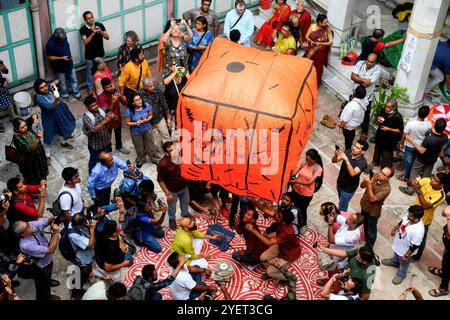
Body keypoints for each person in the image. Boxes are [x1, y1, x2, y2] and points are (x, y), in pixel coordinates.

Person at [12, 216, 61, 300]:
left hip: (47, 261)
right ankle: (45, 297)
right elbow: (50, 250)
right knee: (42, 285)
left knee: (45, 280)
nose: (30, 226)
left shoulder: (30, 226)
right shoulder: (26, 245)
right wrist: (56, 233)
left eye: (27, 224)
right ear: (22, 233)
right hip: (42, 265)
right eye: (27, 227)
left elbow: (45, 222)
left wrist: (54, 218)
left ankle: (47, 282)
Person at [399, 118, 448, 195]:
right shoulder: (445, 137)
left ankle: (410, 189)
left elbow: (421, 150)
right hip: (432, 159)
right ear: (444, 128)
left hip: (422, 159)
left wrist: (411, 140)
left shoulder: (429, 139)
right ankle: (422, 190)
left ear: (434, 126)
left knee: (414, 173)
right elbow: (442, 147)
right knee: (426, 176)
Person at [33, 78, 76, 160]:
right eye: (41, 88)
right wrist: (57, 98)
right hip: (49, 118)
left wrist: (55, 84)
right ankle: (47, 155)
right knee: (48, 135)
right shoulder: (39, 98)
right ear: (38, 90)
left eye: (45, 85)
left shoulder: (49, 89)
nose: (45, 88)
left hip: (60, 113)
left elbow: (56, 82)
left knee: (62, 128)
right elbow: (50, 107)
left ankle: (63, 142)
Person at [382, 205, 425, 285]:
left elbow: (414, 246)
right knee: (396, 253)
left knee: (404, 263)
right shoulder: (409, 216)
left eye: (410, 215)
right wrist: (394, 229)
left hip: (405, 251)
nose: (408, 216)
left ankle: (401, 274)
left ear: (416, 218)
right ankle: (394, 262)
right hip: (398, 244)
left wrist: (406, 256)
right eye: (409, 213)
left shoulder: (418, 230)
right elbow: (401, 222)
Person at [408, 173, 447, 261]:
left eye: (436, 181)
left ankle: (417, 256)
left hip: (424, 220)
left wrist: (418, 191)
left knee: (420, 239)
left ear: (441, 184)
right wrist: (412, 182)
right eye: (434, 178)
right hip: (414, 213)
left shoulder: (440, 196)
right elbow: (410, 184)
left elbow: (425, 206)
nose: (432, 180)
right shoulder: (427, 180)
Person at [157, 142, 190, 230]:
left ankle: (185, 214)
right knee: (172, 207)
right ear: (167, 153)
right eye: (171, 150)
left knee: (186, 202)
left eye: (174, 148)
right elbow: (160, 180)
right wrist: (167, 193)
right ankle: (172, 219)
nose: (175, 151)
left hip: (184, 186)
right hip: (172, 190)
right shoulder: (163, 164)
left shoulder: (181, 155)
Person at [139, 77, 172, 162]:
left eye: (153, 85)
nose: (153, 87)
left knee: (166, 136)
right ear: (145, 87)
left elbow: (164, 104)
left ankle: (170, 152)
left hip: (160, 118)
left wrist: (168, 117)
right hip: (148, 122)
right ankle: (161, 155)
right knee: (154, 141)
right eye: (150, 86)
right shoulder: (139, 94)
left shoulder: (158, 91)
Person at [290, 149, 323, 234]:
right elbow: (295, 171)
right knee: (293, 205)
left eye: (310, 160)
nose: (308, 161)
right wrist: (291, 175)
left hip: (306, 194)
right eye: (307, 159)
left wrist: (296, 181)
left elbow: (309, 182)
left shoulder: (318, 168)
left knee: (302, 209)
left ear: (315, 159)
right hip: (296, 189)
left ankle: (303, 224)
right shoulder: (303, 162)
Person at [360, 167, 393, 249]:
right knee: (364, 223)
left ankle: (368, 248)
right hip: (364, 205)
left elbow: (373, 199)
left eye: (384, 175)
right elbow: (362, 186)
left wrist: (369, 184)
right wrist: (365, 181)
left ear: (388, 178)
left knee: (372, 231)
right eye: (381, 172)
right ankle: (364, 237)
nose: (380, 174)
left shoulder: (386, 189)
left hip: (373, 211)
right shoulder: (376, 175)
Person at [45, 27, 81, 101]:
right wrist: (61, 58)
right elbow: (50, 57)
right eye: (61, 39)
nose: (63, 40)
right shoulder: (50, 44)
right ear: (56, 37)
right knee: (62, 82)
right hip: (59, 66)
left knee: (74, 79)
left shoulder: (64, 37)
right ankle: (65, 95)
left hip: (69, 63)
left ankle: (76, 93)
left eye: (64, 38)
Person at [351, 53, 382, 139]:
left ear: (375, 62)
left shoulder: (378, 70)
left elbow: (367, 84)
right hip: (355, 92)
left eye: (371, 62)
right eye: (367, 60)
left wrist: (358, 79)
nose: (368, 63)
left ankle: (364, 131)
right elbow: (352, 76)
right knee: (353, 109)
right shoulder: (360, 63)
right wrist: (363, 80)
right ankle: (351, 125)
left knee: (366, 114)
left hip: (367, 96)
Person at [66, 213, 97, 299]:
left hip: (87, 256)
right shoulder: (73, 235)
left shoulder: (73, 223)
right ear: (79, 226)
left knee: (84, 274)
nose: (86, 223)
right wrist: (92, 229)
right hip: (83, 259)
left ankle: (83, 281)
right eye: (84, 224)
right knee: (81, 275)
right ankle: (75, 293)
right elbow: (91, 245)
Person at [333, 139, 369, 212]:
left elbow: (353, 173)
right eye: (354, 145)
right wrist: (335, 155)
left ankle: (341, 221)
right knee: (341, 201)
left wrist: (346, 160)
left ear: (362, 152)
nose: (354, 148)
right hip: (340, 183)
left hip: (348, 189)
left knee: (342, 208)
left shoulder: (362, 162)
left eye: (357, 148)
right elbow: (334, 161)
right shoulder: (349, 151)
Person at [397, 106, 431, 182]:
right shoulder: (428, 124)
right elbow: (427, 134)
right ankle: (412, 177)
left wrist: (401, 143)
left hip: (410, 145)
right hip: (420, 146)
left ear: (418, 112)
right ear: (427, 115)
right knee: (415, 163)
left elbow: (404, 135)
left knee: (408, 162)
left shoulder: (410, 123)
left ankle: (406, 176)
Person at [97, 77, 130, 154]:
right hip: (108, 121)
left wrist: (121, 97)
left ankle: (119, 146)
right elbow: (106, 111)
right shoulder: (101, 97)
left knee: (118, 133)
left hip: (117, 118)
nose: (110, 88)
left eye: (110, 86)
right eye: (107, 87)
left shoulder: (115, 92)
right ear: (103, 88)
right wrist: (112, 101)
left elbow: (125, 103)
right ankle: (108, 150)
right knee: (108, 137)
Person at [79, 11, 109, 97]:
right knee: (89, 73)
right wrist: (93, 33)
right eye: (88, 18)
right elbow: (85, 42)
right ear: (85, 20)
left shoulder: (100, 25)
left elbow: (107, 37)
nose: (90, 19)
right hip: (89, 56)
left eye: (91, 17)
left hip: (100, 54)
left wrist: (101, 32)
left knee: (102, 70)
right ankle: (90, 88)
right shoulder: (83, 29)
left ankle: (104, 86)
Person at [82, 96, 114, 174]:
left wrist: (113, 103)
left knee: (104, 158)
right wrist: (105, 121)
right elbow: (93, 129)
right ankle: (92, 175)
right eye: (92, 106)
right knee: (94, 161)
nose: (95, 106)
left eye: (96, 104)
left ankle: (104, 170)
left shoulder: (101, 110)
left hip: (106, 141)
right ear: (87, 107)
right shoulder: (86, 117)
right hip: (95, 145)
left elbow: (108, 110)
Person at [11, 118, 48, 185]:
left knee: (42, 171)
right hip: (30, 162)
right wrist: (37, 139)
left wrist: (35, 119)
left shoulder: (26, 129)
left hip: (39, 158)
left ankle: (43, 181)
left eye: (25, 125)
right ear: (16, 129)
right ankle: (35, 187)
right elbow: (30, 149)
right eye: (22, 127)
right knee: (34, 176)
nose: (25, 128)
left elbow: (33, 117)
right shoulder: (17, 138)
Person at [125, 93, 154, 168]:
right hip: (136, 132)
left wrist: (147, 119)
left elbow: (150, 115)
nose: (139, 101)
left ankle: (154, 158)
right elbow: (127, 122)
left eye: (140, 99)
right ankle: (141, 160)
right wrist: (135, 123)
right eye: (137, 100)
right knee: (139, 147)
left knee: (150, 145)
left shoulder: (146, 105)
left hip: (147, 128)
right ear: (133, 103)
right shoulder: (129, 110)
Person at [373, 100, 404, 169]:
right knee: (377, 149)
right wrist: (378, 118)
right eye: (386, 106)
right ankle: (375, 161)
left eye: (388, 107)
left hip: (389, 140)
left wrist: (388, 129)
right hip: (380, 136)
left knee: (387, 153)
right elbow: (378, 117)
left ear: (394, 108)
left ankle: (385, 167)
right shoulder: (383, 111)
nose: (386, 108)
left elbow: (399, 130)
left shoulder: (397, 117)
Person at [427, 205, 450, 297]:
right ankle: (444, 272)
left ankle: (443, 288)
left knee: (447, 264)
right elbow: (443, 213)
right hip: (447, 240)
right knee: (446, 261)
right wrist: (447, 212)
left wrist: (449, 216)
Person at [303, 14, 333, 84]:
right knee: (307, 63)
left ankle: (315, 83)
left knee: (318, 68)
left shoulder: (328, 29)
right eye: (325, 22)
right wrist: (312, 42)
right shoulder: (313, 26)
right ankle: (304, 79)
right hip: (311, 48)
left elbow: (330, 42)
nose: (327, 24)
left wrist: (319, 44)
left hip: (321, 52)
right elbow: (306, 36)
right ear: (319, 22)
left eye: (327, 22)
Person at [339, 85, 368, 150]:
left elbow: (345, 119)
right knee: (350, 137)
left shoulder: (352, 105)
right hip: (354, 126)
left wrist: (341, 126)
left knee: (348, 141)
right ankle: (349, 145)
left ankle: (347, 152)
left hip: (348, 127)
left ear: (355, 93)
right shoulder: (364, 101)